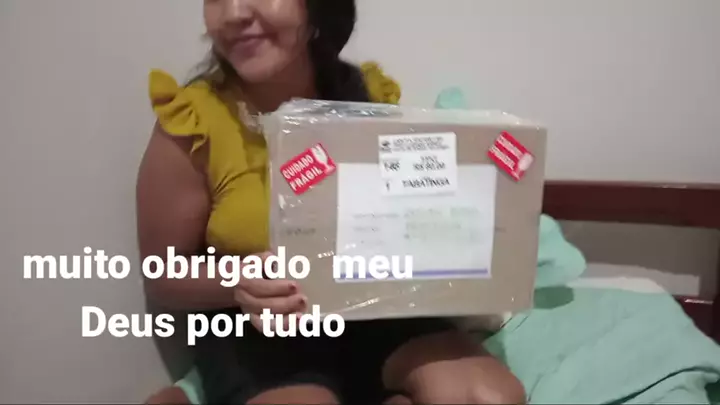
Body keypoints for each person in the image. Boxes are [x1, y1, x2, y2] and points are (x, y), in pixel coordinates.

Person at [137, 0, 526, 404]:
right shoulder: (193, 120)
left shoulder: (367, 96)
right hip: (262, 332)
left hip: (376, 310)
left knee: (488, 398)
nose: (234, 13)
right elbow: (160, 275)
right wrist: (238, 281)